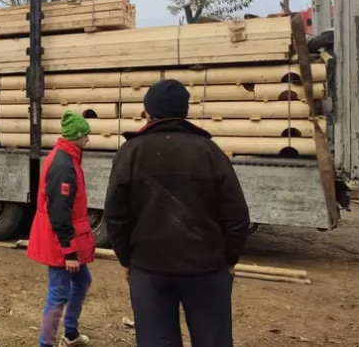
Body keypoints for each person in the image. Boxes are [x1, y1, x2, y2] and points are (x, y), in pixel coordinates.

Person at [104, 79, 250, 347]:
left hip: (150, 270)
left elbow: (115, 215)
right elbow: (237, 215)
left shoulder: (130, 152)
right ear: (185, 113)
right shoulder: (210, 152)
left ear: (148, 112)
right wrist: (229, 258)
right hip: (207, 269)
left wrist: (126, 259)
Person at [27, 110, 95, 347]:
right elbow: (59, 212)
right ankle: (46, 343)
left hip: (67, 239)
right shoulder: (63, 165)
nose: (88, 139)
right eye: (85, 135)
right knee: (58, 293)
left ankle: (71, 333)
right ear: (76, 136)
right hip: (61, 242)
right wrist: (69, 251)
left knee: (83, 280)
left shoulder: (69, 156)